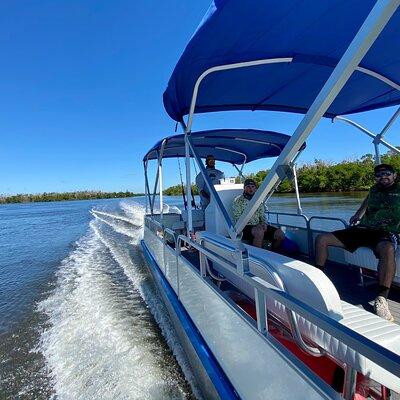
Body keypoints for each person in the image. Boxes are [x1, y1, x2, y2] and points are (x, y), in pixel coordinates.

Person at [315, 163, 400, 322]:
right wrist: (357, 214)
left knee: (388, 248)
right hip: (363, 229)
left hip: (386, 232)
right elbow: (367, 201)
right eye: (379, 175)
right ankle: (318, 279)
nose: (383, 177)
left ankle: (381, 299)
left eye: (387, 173)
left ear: (394, 175)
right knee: (322, 239)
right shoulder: (374, 189)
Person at [233, 178, 285, 249]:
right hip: (244, 228)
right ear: (244, 188)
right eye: (248, 186)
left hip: (258, 226)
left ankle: (273, 253)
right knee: (259, 231)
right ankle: (258, 256)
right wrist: (257, 227)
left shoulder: (259, 201)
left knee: (280, 234)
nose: (250, 189)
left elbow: (262, 215)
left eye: (252, 186)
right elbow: (237, 218)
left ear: (255, 188)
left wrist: (264, 224)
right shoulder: (238, 201)